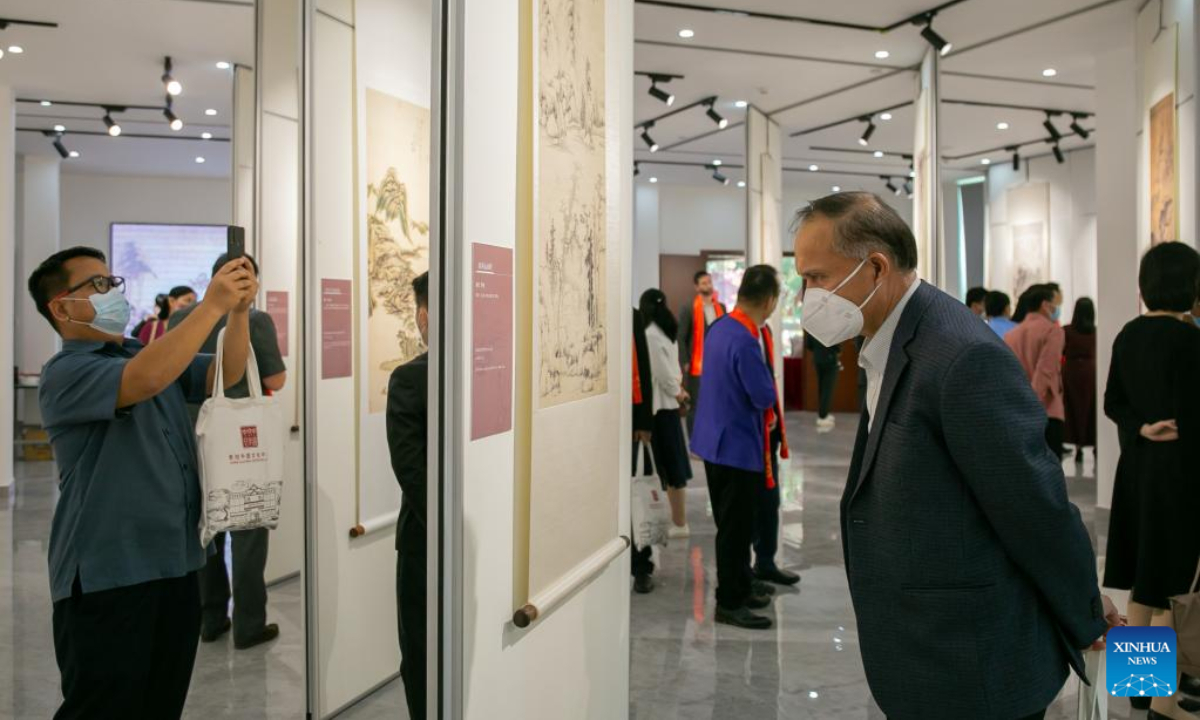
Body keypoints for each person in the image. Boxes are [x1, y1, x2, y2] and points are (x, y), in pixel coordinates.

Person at [792, 192, 1117, 720]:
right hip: (925, 654)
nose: (807, 295)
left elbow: (1035, 508)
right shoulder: (890, 339)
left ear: (875, 267)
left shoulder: (962, 358)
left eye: (816, 277)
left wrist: (1086, 613)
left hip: (971, 665)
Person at [29, 246, 256, 719]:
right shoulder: (67, 373)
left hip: (175, 562)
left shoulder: (137, 351)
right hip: (109, 575)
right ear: (61, 307)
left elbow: (226, 372)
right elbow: (147, 378)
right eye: (95, 285)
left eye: (111, 283)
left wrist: (237, 312)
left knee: (160, 704)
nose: (110, 292)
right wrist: (210, 305)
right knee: (104, 708)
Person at [1103, 242, 1200, 720]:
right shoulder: (1190, 341)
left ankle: (1138, 689)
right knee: (1172, 584)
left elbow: (1112, 402)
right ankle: (1165, 701)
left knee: (1143, 580)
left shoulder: (1128, 334)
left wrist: (1142, 427)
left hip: (1136, 470)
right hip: (1181, 478)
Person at [170, 254, 287, 650]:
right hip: (241, 438)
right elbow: (275, 378)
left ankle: (210, 617)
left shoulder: (181, 319)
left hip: (194, 433)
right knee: (248, 528)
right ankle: (250, 623)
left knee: (206, 527)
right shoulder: (254, 320)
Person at [691, 264, 781, 630]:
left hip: (713, 441)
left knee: (732, 524)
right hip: (736, 446)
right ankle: (729, 602)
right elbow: (763, 394)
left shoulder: (720, 327)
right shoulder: (746, 339)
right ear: (770, 300)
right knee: (735, 529)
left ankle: (741, 586)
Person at [386, 271, 430, 720]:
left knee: (421, 655)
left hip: (426, 537)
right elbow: (411, 469)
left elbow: (410, 468)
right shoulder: (412, 379)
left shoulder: (409, 378)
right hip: (430, 537)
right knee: (423, 656)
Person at [638, 290, 693, 539]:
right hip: (670, 406)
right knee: (675, 466)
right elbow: (673, 368)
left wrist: (676, 392)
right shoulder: (667, 331)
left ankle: (679, 523)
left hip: (660, 408)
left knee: (669, 468)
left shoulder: (649, 334)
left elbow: (660, 373)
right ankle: (678, 522)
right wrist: (679, 390)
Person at [1005, 284, 1067, 457]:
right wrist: (1033, 403)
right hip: (1045, 409)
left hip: (1018, 410)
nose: (1056, 308)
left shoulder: (1011, 334)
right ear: (1045, 304)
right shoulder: (1053, 331)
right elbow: (1046, 370)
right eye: (1054, 303)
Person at [677, 270, 725, 437]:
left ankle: (713, 439)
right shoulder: (689, 308)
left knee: (717, 404)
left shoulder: (721, 307)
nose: (708, 286)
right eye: (704, 283)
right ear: (697, 287)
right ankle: (694, 443)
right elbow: (681, 337)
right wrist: (684, 362)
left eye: (709, 282)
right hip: (697, 366)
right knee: (696, 406)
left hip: (718, 366)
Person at [631, 306, 656, 594]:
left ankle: (641, 566)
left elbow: (644, 369)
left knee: (636, 495)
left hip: (632, 422)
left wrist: (644, 421)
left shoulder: (633, 314)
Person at [1063, 297, 1097, 464]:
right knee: (1091, 408)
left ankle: (1078, 446)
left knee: (1073, 408)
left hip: (1070, 372)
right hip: (1091, 372)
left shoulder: (1067, 331)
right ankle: (1094, 442)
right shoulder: (1096, 331)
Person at [804, 332, 841, 432]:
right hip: (830, 359)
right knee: (827, 388)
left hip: (817, 359)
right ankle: (823, 417)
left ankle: (823, 413)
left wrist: (818, 350)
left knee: (822, 386)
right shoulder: (831, 326)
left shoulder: (812, 326)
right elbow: (837, 346)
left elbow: (808, 344)